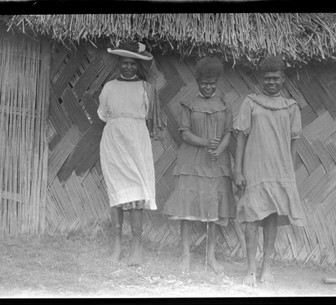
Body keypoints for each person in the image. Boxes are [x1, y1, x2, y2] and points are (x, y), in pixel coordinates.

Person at [233, 56, 306, 286]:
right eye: (267, 78)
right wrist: (238, 171)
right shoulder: (251, 103)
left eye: (275, 78)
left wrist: (290, 176)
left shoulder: (291, 107)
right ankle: (251, 270)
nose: (271, 82)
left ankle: (267, 268)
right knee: (252, 219)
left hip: (279, 171)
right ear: (261, 79)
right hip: (255, 169)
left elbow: (293, 144)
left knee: (272, 218)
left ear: (283, 79)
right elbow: (241, 139)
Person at [163, 57, 236, 273]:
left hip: (216, 162)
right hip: (192, 161)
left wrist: (219, 149)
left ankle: (211, 256)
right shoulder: (190, 104)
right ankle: (185, 254)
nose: (208, 87)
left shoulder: (224, 105)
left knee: (213, 209)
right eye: (204, 83)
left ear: (217, 82)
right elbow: (184, 133)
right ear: (197, 81)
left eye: (212, 83)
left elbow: (228, 132)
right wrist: (206, 143)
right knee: (187, 208)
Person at [98, 40, 165, 266]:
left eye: (133, 64)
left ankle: (137, 247)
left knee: (137, 192)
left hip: (137, 142)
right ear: (119, 63)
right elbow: (104, 114)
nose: (128, 67)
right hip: (114, 142)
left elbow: (148, 115)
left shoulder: (145, 88)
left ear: (139, 66)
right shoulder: (109, 87)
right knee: (117, 193)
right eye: (125, 63)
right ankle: (116, 246)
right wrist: (120, 127)